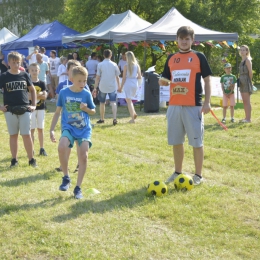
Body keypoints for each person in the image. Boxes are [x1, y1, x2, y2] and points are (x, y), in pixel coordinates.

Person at [159, 26, 212, 185]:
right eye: (181, 39)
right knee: (176, 141)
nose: (184, 41)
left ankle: (198, 176)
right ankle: (177, 172)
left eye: (187, 39)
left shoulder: (199, 56)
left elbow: (207, 80)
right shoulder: (171, 58)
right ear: (177, 40)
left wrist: (207, 102)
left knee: (197, 142)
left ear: (192, 40)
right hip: (174, 106)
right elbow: (165, 79)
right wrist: (162, 81)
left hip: (193, 106)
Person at [50, 66, 96, 199]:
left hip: (84, 128)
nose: (83, 84)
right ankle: (66, 177)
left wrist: (86, 109)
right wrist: (51, 130)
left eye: (85, 81)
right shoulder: (64, 93)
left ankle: (78, 188)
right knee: (61, 147)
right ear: (71, 79)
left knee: (84, 156)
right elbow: (58, 112)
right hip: (68, 127)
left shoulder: (86, 94)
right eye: (79, 81)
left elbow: (93, 111)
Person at [0, 51, 37, 167]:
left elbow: (32, 90)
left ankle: (31, 160)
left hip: (25, 108)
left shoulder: (24, 74)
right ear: (9, 63)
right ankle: (14, 160)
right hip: (10, 109)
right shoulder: (4, 76)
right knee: (13, 135)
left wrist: (34, 104)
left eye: (18, 62)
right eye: (14, 62)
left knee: (26, 134)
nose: (16, 65)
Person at [94, 49, 121, 125]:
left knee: (102, 103)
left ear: (103, 55)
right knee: (113, 102)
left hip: (103, 85)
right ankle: (115, 118)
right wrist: (119, 86)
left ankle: (102, 119)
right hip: (112, 86)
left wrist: (95, 87)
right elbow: (117, 77)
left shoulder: (100, 65)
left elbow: (97, 77)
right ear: (111, 55)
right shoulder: (114, 64)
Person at [29, 63, 48, 156]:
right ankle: (31, 149)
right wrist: (39, 95)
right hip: (30, 109)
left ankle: (42, 148)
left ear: (39, 71)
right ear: (29, 71)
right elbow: (27, 97)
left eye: (36, 70)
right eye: (32, 70)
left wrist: (34, 96)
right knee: (31, 129)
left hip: (41, 108)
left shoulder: (42, 83)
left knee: (40, 128)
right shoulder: (27, 83)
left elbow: (44, 97)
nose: (34, 72)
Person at [120, 51, 141, 123]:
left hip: (128, 82)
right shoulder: (137, 65)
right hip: (135, 82)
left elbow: (124, 78)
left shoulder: (126, 66)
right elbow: (139, 76)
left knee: (128, 101)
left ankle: (133, 118)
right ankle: (134, 113)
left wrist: (121, 87)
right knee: (129, 100)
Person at [238, 45, 253, 123]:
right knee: (244, 101)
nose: (242, 51)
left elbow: (250, 72)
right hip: (241, 82)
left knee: (247, 101)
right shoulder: (242, 61)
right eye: (241, 50)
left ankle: (248, 119)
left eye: (244, 50)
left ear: (247, 51)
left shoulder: (247, 60)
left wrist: (249, 82)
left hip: (246, 81)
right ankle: (246, 117)